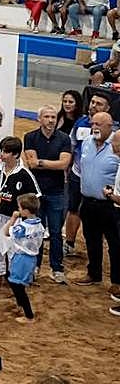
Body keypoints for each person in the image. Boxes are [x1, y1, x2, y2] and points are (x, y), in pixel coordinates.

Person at [0, 136, 39, 302]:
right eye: (2, 151)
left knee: (14, 255)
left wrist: (22, 216)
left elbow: (35, 198)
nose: (2, 155)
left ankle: (17, 290)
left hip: (13, 219)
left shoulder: (24, 175)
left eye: (6, 152)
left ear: (16, 154)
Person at [22, 105, 71, 283]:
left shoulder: (64, 138)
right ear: (39, 119)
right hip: (36, 193)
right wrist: (53, 163)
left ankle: (56, 268)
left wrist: (41, 162)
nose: (51, 120)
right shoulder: (30, 137)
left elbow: (64, 164)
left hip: (57, 192)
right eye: (47, 117)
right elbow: (31, 163)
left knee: (56, 232)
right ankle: (34, 266)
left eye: (53, 117)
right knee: (36, 231)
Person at [75, 110, 120, 297]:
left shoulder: (117, 145)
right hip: (88, 201)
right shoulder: (87, 142)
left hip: (110, 205)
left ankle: (117, 281)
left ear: (110, 126)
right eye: (92, 123)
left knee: (115, 244)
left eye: (98, 124)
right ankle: (93, 273)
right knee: (91, 240)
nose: (94, 127)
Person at [5, 192, 45, 323]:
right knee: (16, 282)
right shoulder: (40, 225)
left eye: (20, 208)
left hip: (22, 258)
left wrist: (13, 218)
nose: (18, 210)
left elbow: (6, 232)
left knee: (17, 285)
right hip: (31, 258)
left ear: (26, 211)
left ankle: (29, 315)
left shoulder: (22, 227)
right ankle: (21, 306)